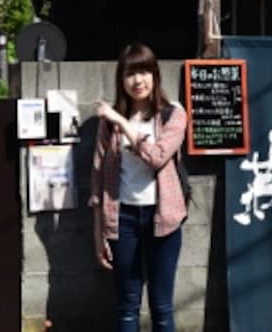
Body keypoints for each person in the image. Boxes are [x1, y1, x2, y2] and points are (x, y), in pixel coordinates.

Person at [89, 42, 188, 332]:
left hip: (164, 220)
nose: (138, 80)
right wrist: (99, 233)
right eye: (131, 73)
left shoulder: (173, 114)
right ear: (122, 79)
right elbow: (97, 176)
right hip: (123, 219)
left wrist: (121, 120)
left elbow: (157, 157)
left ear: (155, 75)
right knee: (127, 307)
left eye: (144, 71)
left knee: (162, 307)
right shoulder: (108, 125)